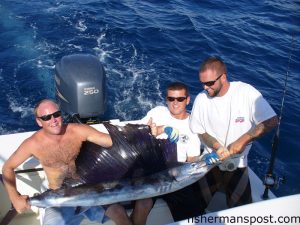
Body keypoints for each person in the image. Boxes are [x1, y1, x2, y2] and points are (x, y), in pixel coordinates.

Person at [1, 99, 138, 225]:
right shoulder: (32, 144)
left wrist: (143, 134)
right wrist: (15, 198)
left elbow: (112, 141)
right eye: (46, 117)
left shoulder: (78, 130)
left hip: (90, 190)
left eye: (56, 114)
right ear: (39, 121)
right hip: (59, 198)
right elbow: (7, 168)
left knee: (121, 215)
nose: (53, 120)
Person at [190, 57, 278, 209]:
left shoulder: (246, 93)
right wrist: (217, 146)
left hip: (238, 163)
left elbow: (271, 120)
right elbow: (200, 131)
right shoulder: (201, 99)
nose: (205, 87)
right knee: (191, 206)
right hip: (210, 161)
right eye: (202, 83)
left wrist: (243, 140)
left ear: (223, 77)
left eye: (209, 83)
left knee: (243, 213)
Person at [139, 82, 205, 221]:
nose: (175, 103)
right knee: (143, 204)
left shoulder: (193, 124)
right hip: (151, 171)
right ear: (166, 100)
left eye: (180, 99)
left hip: (177, 177)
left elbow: (192, 159)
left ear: (187, 100)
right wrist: (159, 129)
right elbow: (137, 134)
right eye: (171, 99)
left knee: (196, 217)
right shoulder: (158, 112)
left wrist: (202, 163)